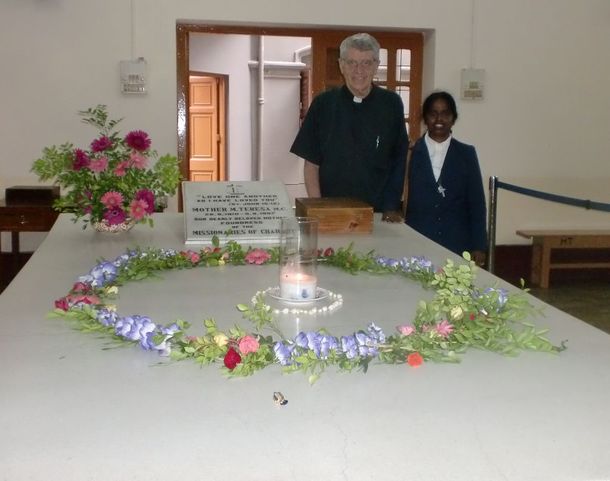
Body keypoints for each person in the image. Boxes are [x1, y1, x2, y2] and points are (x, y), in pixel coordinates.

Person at [290, 33, 408, 221]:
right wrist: (319, 209)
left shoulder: (391, 104)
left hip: (377, 213)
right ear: (341, 65)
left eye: (366, 63)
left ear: (376, 65)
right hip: (332, 211)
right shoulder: (323, 104)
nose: (359, 70)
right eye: (352, 62)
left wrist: (392, 206)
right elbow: (311, 164)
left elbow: (399, 160)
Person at [405, 91, 487, 266]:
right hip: (418, 240)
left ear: (453, 118)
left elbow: (477, 203)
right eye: (433, 113)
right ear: (425, 118)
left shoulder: (466, 154)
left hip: (456, 243)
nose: (439, 119)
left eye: (445, 113)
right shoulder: (411, 152)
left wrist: (479, 245)